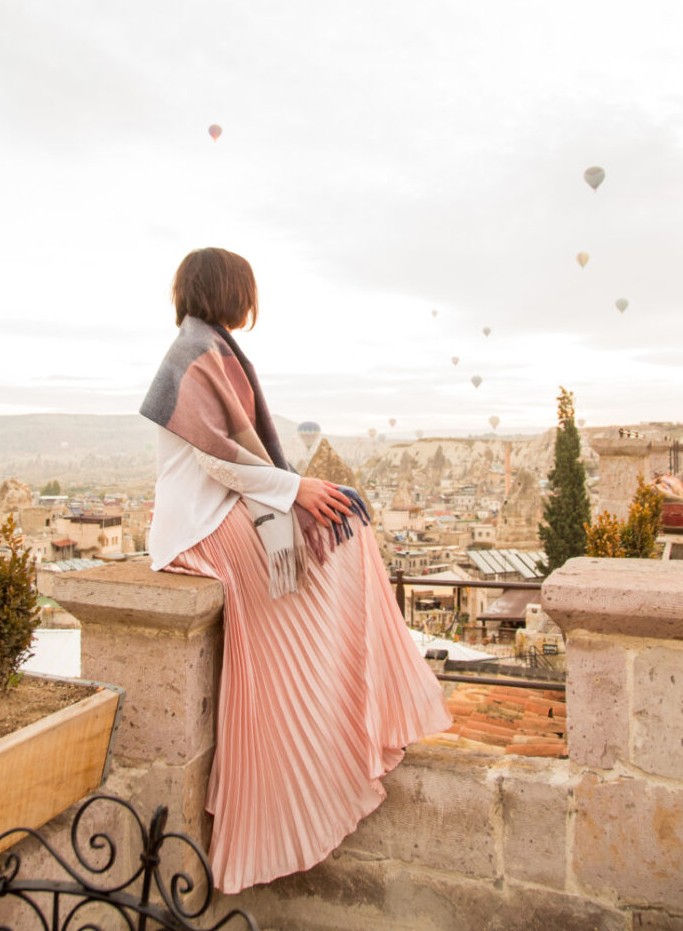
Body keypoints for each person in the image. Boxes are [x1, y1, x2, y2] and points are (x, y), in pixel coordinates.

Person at [141, 247, 451, 895]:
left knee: (345, 534)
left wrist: (298, 493)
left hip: (215, 516)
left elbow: (227, 462)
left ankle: (362, 714)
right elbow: (220, 460)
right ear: (229, 291)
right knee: (337, 548)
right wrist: (298, 489)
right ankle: (360, 721)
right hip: (200, 527)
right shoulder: (197, 354)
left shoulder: (204, 348)